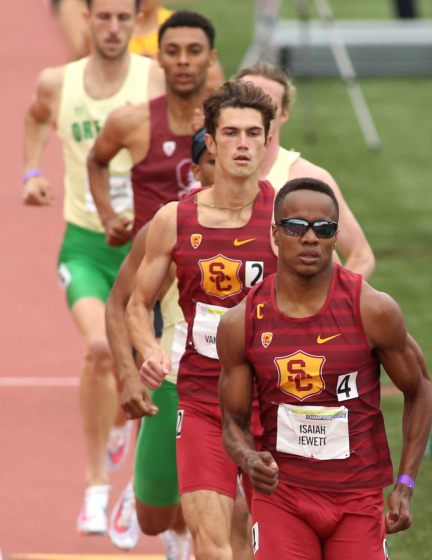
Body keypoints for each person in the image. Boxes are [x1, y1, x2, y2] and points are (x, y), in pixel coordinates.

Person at [217, 178, 432, 559]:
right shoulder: (242, 322)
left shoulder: (373, 310)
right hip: (281, 496)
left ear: (335, 238)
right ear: (275, 233)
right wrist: (249, 459)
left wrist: (405, 482)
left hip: (358, 499)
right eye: (296, 227)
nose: (310, 238)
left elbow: (420, 389)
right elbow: (232, 423)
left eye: (324, 229)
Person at [22, 0, 165, 535]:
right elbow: (35, 118)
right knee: (100, 349)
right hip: (85, 246)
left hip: (148, 253)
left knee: (153, 374)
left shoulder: (156, 81)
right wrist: (31, 172)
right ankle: (94, 486)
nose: (111, 28)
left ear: (136, 21)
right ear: (85, 18)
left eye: (121, 18)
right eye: (101, 17)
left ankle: (126, 438)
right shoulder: (58, 83)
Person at [128, 81, 279, 560]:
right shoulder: (175, 219)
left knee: (270, 547)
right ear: (210, 142)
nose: (241, 143)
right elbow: (137, 305)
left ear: (266, 141)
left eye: (252, 133)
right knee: (211, 549)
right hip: (201, 400)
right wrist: (150, 351)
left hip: (273, 407)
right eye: (230, 132)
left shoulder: (289, 219)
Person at [104, 130, 251, 560]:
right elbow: (119, 306)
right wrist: (132, 375)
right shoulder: (168, 225)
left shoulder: (270, 223)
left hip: (248, 389)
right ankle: (149, 496)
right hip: (175, 384)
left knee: (239, 515)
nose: (220, 170)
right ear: (197, 170)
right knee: (154, 518)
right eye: (209, 162)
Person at [88, 10, 216, 249]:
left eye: (195, 51)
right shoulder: (131, 121)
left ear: (211, 57)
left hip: (211, 263)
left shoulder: (231, 124)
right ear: (158, 58)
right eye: (172, 51)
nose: (183, 60)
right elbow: (96, 160)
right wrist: (108, 218)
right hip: (150, 263)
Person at [236, 63, 375, 279]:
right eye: (246, 102)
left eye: (266, 104)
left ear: (284, 114)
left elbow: (361, 255)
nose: (255, 112)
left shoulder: (308, 178)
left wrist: (329, 304)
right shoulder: (206, 172)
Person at [129, 1, 225, 94]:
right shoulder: (116, 29)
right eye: (172, 52)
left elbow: (215, 85)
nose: (183, 60)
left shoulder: (180, 26)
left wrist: (161, 72)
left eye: (172, 52)